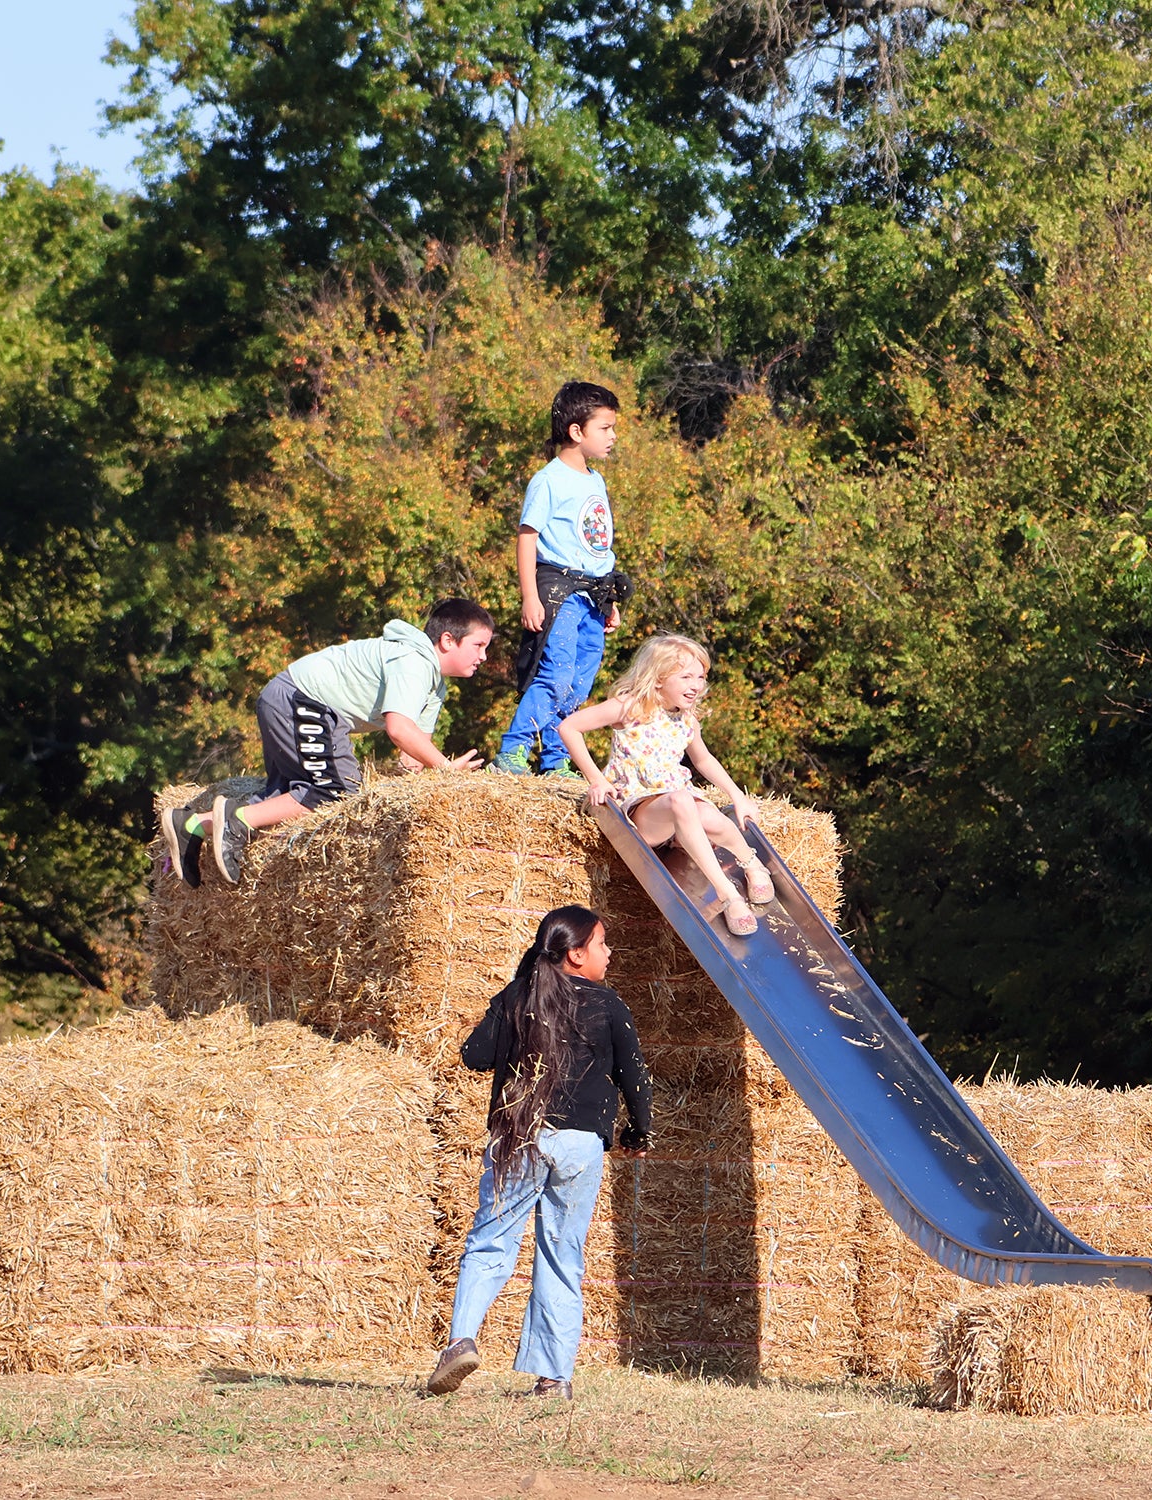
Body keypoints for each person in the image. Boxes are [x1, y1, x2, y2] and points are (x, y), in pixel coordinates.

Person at [423, 905, 652, 1401]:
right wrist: (639, 1132)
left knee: (490, 1243)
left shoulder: (519, 997)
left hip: (519, 1137)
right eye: (601, 944)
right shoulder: (609, 1004)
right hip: (578, 1145)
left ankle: (460, 1341)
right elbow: (635, 1077)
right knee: (561, 1254)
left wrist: (516, 997)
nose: (609, 953)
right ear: (576, 954)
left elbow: (474, 1055)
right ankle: (553, 1379)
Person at [159, 598, 495, 884]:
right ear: (448, 640)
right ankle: (235, 821)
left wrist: (423, 793)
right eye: (478, 646)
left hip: (291, 699)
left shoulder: (435, 685)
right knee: (335, 794)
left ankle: (192, 826)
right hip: (303, 701)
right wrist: (448, 769)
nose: (483, 657)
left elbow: (412, 753)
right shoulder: (414, 661)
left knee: (287, 798)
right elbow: (398, 728)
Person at [557, 634, 775, 937]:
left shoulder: (686, 720)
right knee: (681, 801)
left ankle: (752, 863)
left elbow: (704, 760)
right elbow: (569, 727)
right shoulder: (629, 707)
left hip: (679, 811)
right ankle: (728, 894)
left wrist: (738, 796)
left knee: (711, 816)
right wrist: (597, 778)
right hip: (645, 813)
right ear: (658, 679)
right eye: (686, 676)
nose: (696, 685)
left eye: (700, 677)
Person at [493, 381, 634, 779]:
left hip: (594, 594)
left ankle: (555, 761)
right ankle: (513, 750)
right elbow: (527, 536)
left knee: (579, 682)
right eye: (605, 428)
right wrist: (529, 597)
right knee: (555, 675)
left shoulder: (595, 481)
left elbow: (598, 548)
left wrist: (611, 601)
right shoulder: (549, 479)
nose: (613, 436)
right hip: (559, 591)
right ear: (576, 431)